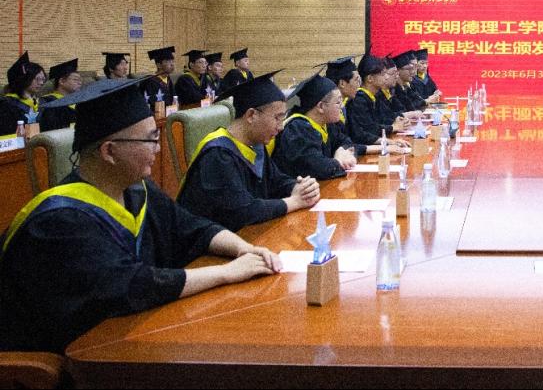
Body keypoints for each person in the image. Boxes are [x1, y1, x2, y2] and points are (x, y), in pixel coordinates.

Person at [0, 77, 283, 353]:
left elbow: (191, 227)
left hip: (129, 339)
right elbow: (134, 285)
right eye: (150, 140)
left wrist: (244, 248)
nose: (158, 149)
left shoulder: (138, 191)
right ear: (109, 151)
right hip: (67, 361)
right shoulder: (60, 221)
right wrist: (227, 273)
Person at [176, 71, 321, 232]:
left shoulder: (254, 144)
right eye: (277, 118)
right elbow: (243, 211)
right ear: (251, 115)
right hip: (209, 244)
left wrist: (299, 187)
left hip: (247, 235)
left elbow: (275, 181)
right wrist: (294, 202)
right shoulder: (218, 154)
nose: (281, 127)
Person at [270, 73, 354, 180]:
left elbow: (346, 142)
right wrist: (338, 161)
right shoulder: (297, 129)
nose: (342, 106)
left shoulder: (327, 124)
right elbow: (317, 168)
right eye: (338, 102)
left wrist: (340, 151)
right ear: (321, 106)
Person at [324, 56, 404, 157]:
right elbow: (360, 135)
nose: (359, 85)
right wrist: (386, 141)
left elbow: (354, 137)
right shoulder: (356, 101)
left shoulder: (345, 106)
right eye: (356, 80)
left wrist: (387, 142)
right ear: (342, 83)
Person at [347, 56, 410, 146]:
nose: (386, 77)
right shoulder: (359, 100)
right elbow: (369, 129)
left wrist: (397, 119)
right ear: (370, 78)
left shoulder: (374, 96)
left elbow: (384, 117)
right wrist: (393, 127)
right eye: (383, 74)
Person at [0, 52, 46, 135]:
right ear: (24, 79)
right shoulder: (7, 104)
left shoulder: (41, 102)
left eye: (43, 79)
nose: (41, 83)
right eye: (37, 79)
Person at [39, 58, 82, 131]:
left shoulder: (79, 103)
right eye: (75, 79)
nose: (80, 83)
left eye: (80, 80)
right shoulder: (48, 102)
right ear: (61, 81)